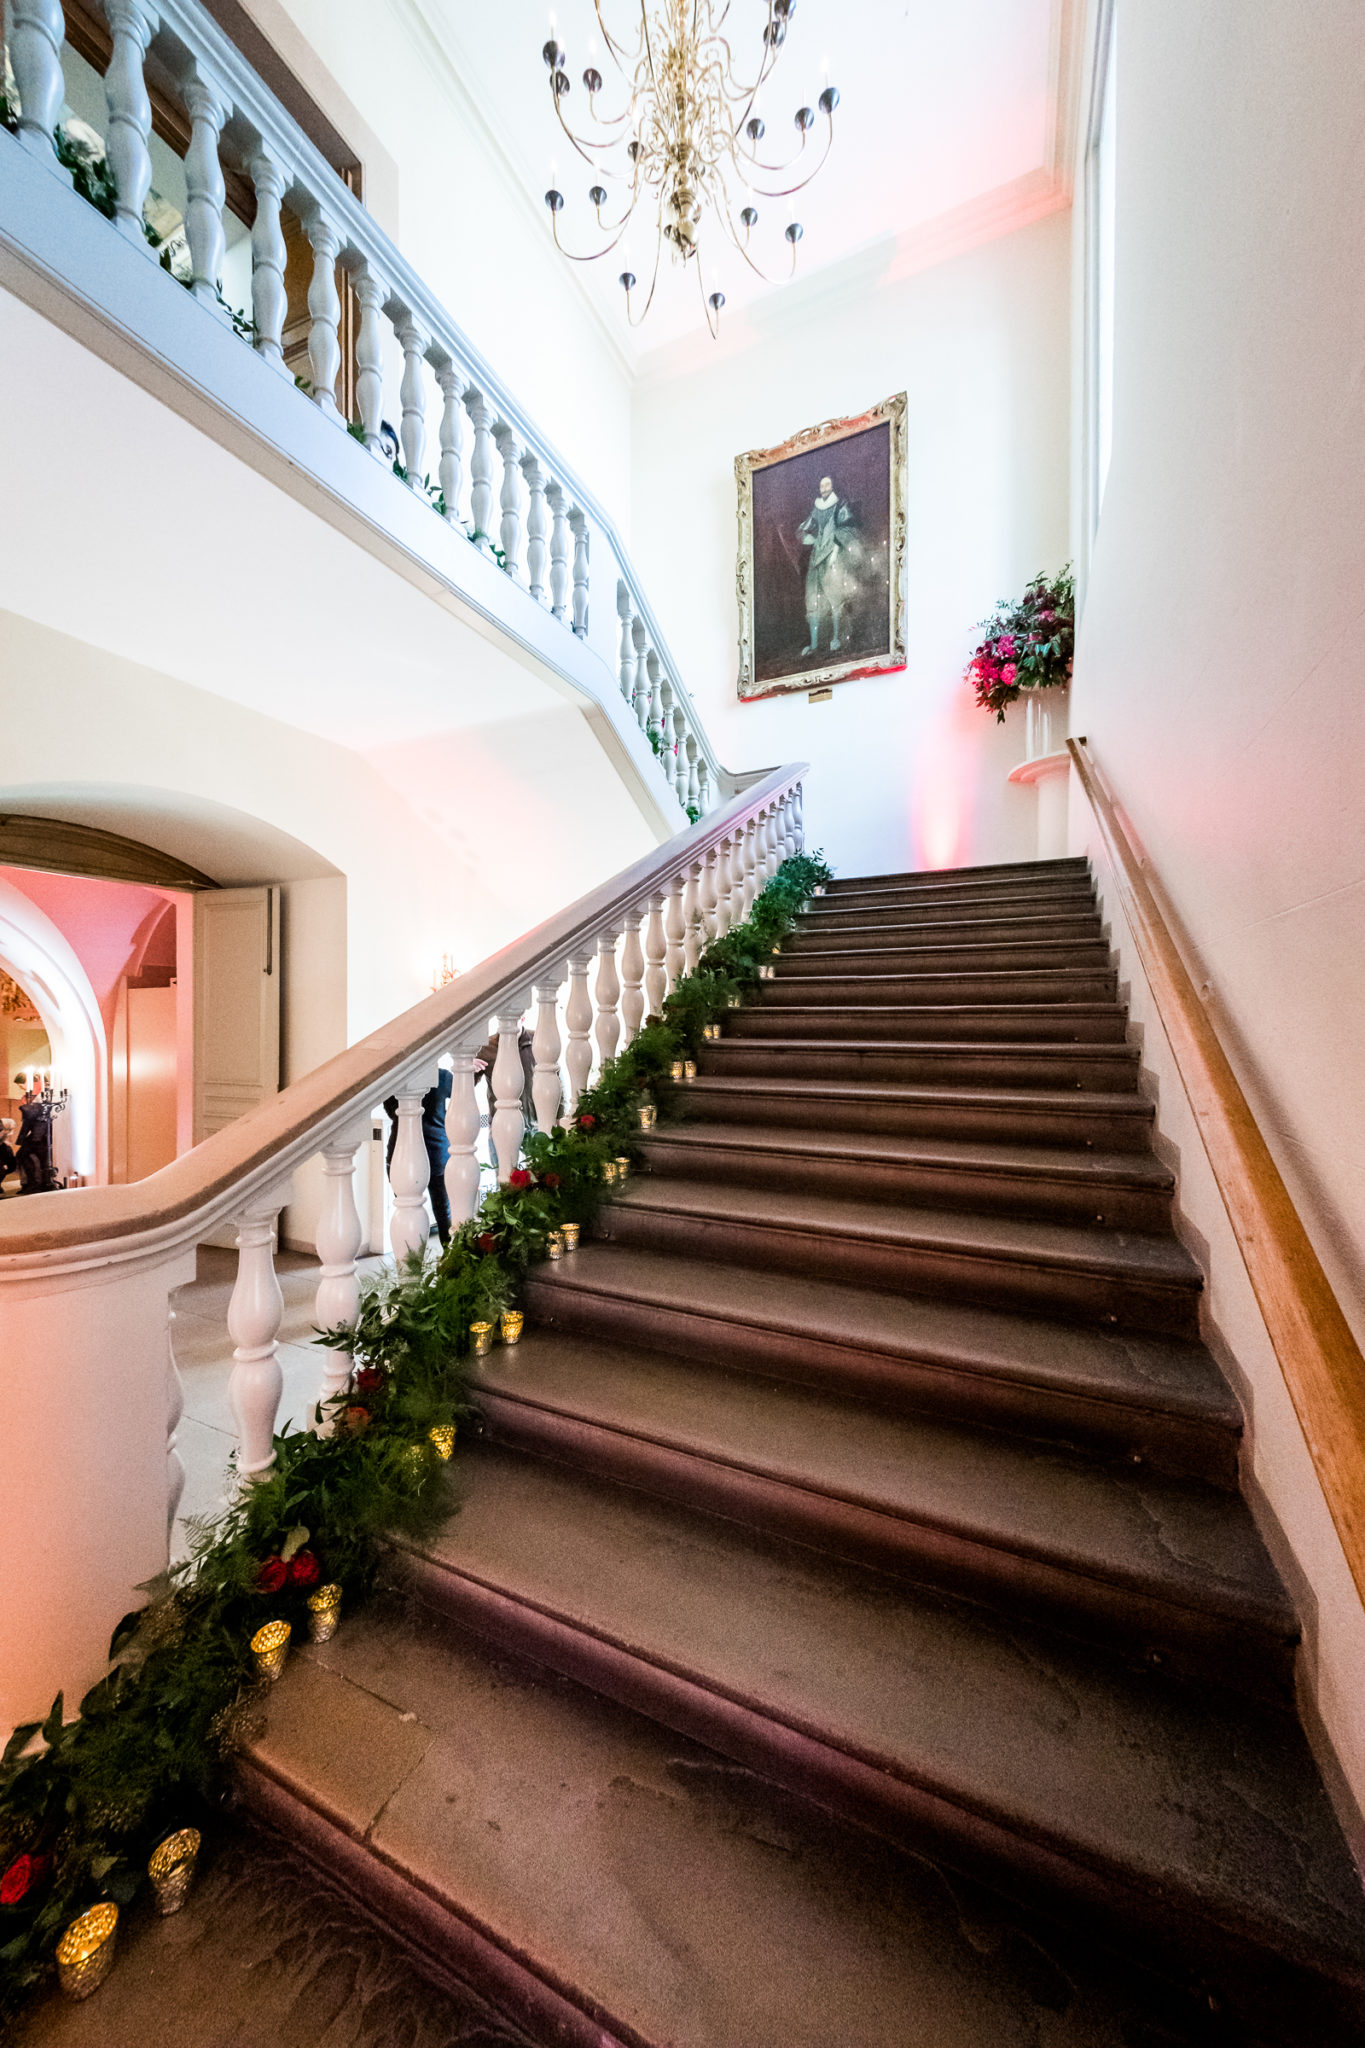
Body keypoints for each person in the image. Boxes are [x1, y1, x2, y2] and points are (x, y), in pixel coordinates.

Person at [383, 1067, 455, 1245]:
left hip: (402, 1151)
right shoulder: (443, 1077)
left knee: (405, 1210)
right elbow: (458, 1107)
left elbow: (391, 1112)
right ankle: (450, 1255)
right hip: (437, 1150)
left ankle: (409, 1255)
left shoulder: (395, 1078)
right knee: (443, 1210)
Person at [797, 473, 861, 657]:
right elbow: (803, 530)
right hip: (816, 558)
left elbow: (849, 528)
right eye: (821, 486)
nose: (824, 489)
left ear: (833, 486)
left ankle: (836, 639)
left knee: (835, 596)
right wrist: (809, 538)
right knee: (812, 598)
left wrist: (835, 548)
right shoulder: (816, 509)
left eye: (827, 485)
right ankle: (814, 644)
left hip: (834, 556)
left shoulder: (840, 505)